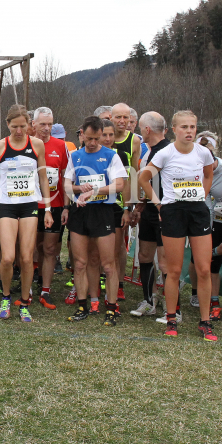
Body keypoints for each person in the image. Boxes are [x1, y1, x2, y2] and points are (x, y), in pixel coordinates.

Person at [137, 110, 217, 340]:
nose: (189, 131)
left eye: (192, 127)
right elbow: (144, 178)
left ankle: (205, 321)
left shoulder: (203, 153)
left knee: (203, 269)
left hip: (197, 211)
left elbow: (208, 175)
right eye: (184, 127)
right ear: (174, 129)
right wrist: (159, 204)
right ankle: (171, 319)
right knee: (173, 270)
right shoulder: (166, 153)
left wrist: (202, 195)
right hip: (172, 211)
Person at [0, 105, 52, 321]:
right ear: (7, 125)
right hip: (6, 205)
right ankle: (5, 298)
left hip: (29, 205)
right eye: (14, 127)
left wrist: (48, 208)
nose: (19, 131)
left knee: (25, 258)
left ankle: (24, 303)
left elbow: (43, 178)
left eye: (23, 126)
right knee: (7, 257)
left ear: (29, 125)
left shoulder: (37, 145)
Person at [64, 116, 127, 325]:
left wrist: (96, 191)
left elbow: (119, 185)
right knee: (80, 263)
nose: (92, 143)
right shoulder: (75, 156)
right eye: (89, 139)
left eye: (96, 139)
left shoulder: (111, 156)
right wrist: (79, 189)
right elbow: (67, 185)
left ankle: (111, 308)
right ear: (82, 134)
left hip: (103, 212)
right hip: (80, 212)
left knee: (108, 265)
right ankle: (83, 306)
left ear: (101, 135)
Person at [129, 111, 169, 318]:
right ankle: (148, 299)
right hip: (149, 212)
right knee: (144, 255)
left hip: (165, 213)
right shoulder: (148, 152)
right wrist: (140, 206)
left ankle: (173, 308)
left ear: (147, 129)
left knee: (164, 262)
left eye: (139, 129)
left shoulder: (168, 150)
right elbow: (149, 184)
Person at [32, 107, 69, 309]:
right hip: (30, 204)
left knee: (49, 248)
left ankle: (45, 289)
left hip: (54, 205)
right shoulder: (27, 144)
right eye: (43, 124)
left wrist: (66, 206)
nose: (46, 128)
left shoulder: (60, 146)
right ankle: (29, 284)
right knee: (30, 247)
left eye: (50, 124)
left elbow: (65, 178)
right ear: (34, 124)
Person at [197, 131, 222, 322]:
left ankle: (213, 251)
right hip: (219, 218)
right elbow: (207, 203)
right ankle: (214, 302)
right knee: (214, 265)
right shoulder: (200, 173)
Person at [110, 103, 140, 302]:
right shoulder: (104, 137)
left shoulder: (134, 141)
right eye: (118, 117)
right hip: (101, 199)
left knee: (120, 245)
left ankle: (119, 284)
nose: (122, 121)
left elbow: (134, 175)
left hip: (121, 202)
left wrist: (131, 206)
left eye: (126, 118)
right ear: (111, 118)